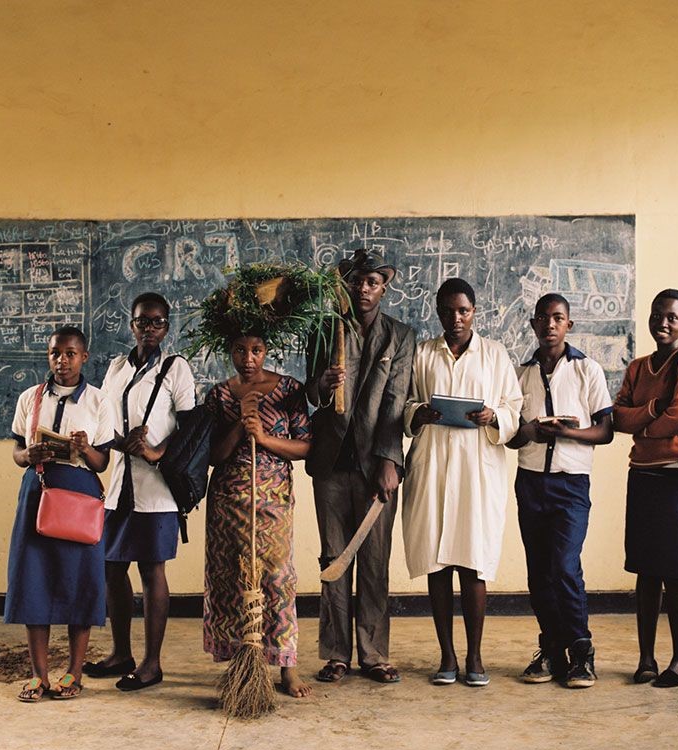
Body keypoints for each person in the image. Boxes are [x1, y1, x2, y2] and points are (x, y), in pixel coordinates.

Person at [402, 278, 522, 687]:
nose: (456, 318)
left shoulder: (494, 354)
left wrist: (494, 418)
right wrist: (418, 413)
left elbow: (513, 408)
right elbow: (404, 402)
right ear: (437, 312)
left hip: (477, 468)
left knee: (473, 561)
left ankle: (474, 656)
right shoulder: (422, 354)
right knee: (438, 561)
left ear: (475, 312)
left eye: (463, 311)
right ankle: (446, 656)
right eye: (448, 311)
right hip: (433, 463)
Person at [306, 248, 416, 684]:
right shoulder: (323, 330)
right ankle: (335, 653)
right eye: (355, 281)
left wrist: (391, 461)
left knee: (373, 560)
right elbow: (310, 398)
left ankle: (374, 653)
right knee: (334, 559)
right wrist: (321, 383)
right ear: (344, 286)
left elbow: (396, 401)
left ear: (383, 287)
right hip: (331, 464)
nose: (363, 288)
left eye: (372, 282)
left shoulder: (400, 336)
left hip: (376, 465)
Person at [83, 293, 195, 691]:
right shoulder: (116, 367)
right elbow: (102, 419)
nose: (149, 329)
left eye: (158, 322)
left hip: (157, 488)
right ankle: (121, 653)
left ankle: (151, 663)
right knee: (110, 566)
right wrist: (117, 441)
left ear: (167, 326)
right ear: (131, 325)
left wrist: (153, 451)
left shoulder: (175, 368)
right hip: (119, 487)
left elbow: (190, 431)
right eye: (142, 322)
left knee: (151, 569)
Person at [507, 293, 613, 688]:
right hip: (531, 482)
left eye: (558, 318)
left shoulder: (588, 370)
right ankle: (552, 649)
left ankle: (581, 652)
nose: (550, 325)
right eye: (543, 318)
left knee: (565, 567)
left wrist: (567, 431)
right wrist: (531, 430)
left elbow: (605, 430)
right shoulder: (522, 374)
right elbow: (512, 437)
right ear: (533, 324)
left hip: (570, 483)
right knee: (539, 572)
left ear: (569, 324)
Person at [5, 326, 114, 701]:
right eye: (55, 353)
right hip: (39, 494)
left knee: (78, 581)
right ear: (48, 355)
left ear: (84, 357)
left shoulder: (99, 401)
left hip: (79, 498)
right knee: (35, 580)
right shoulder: (30, 398)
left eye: (70, 354)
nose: (61, 361)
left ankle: (74, 672)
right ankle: (39, 675)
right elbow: (17, 452)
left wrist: (86, 449)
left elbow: (103, 463)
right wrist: (29, 455)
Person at [203, 334, 312, 698]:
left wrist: (264, 439)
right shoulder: (219, 395)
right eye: (238, 349)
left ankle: (286, 667)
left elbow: (305, 447)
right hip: (228, 502)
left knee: (278, 577)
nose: (247, 358)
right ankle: (242, 662)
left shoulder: (289, 390)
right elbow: (214, 455)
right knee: (232, 579)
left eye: (256, 350)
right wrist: (240, 422)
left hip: (272, 500)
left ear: (267, 351)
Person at [613, 288, 678, 688]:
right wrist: (654, 412)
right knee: (646, 573)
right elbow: (618, 417)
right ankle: (646, 660)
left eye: (673, 316)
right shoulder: (637, 367)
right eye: (658, 315)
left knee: (676, 574)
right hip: (644, 477)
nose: (664, 323)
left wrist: (645, 425)